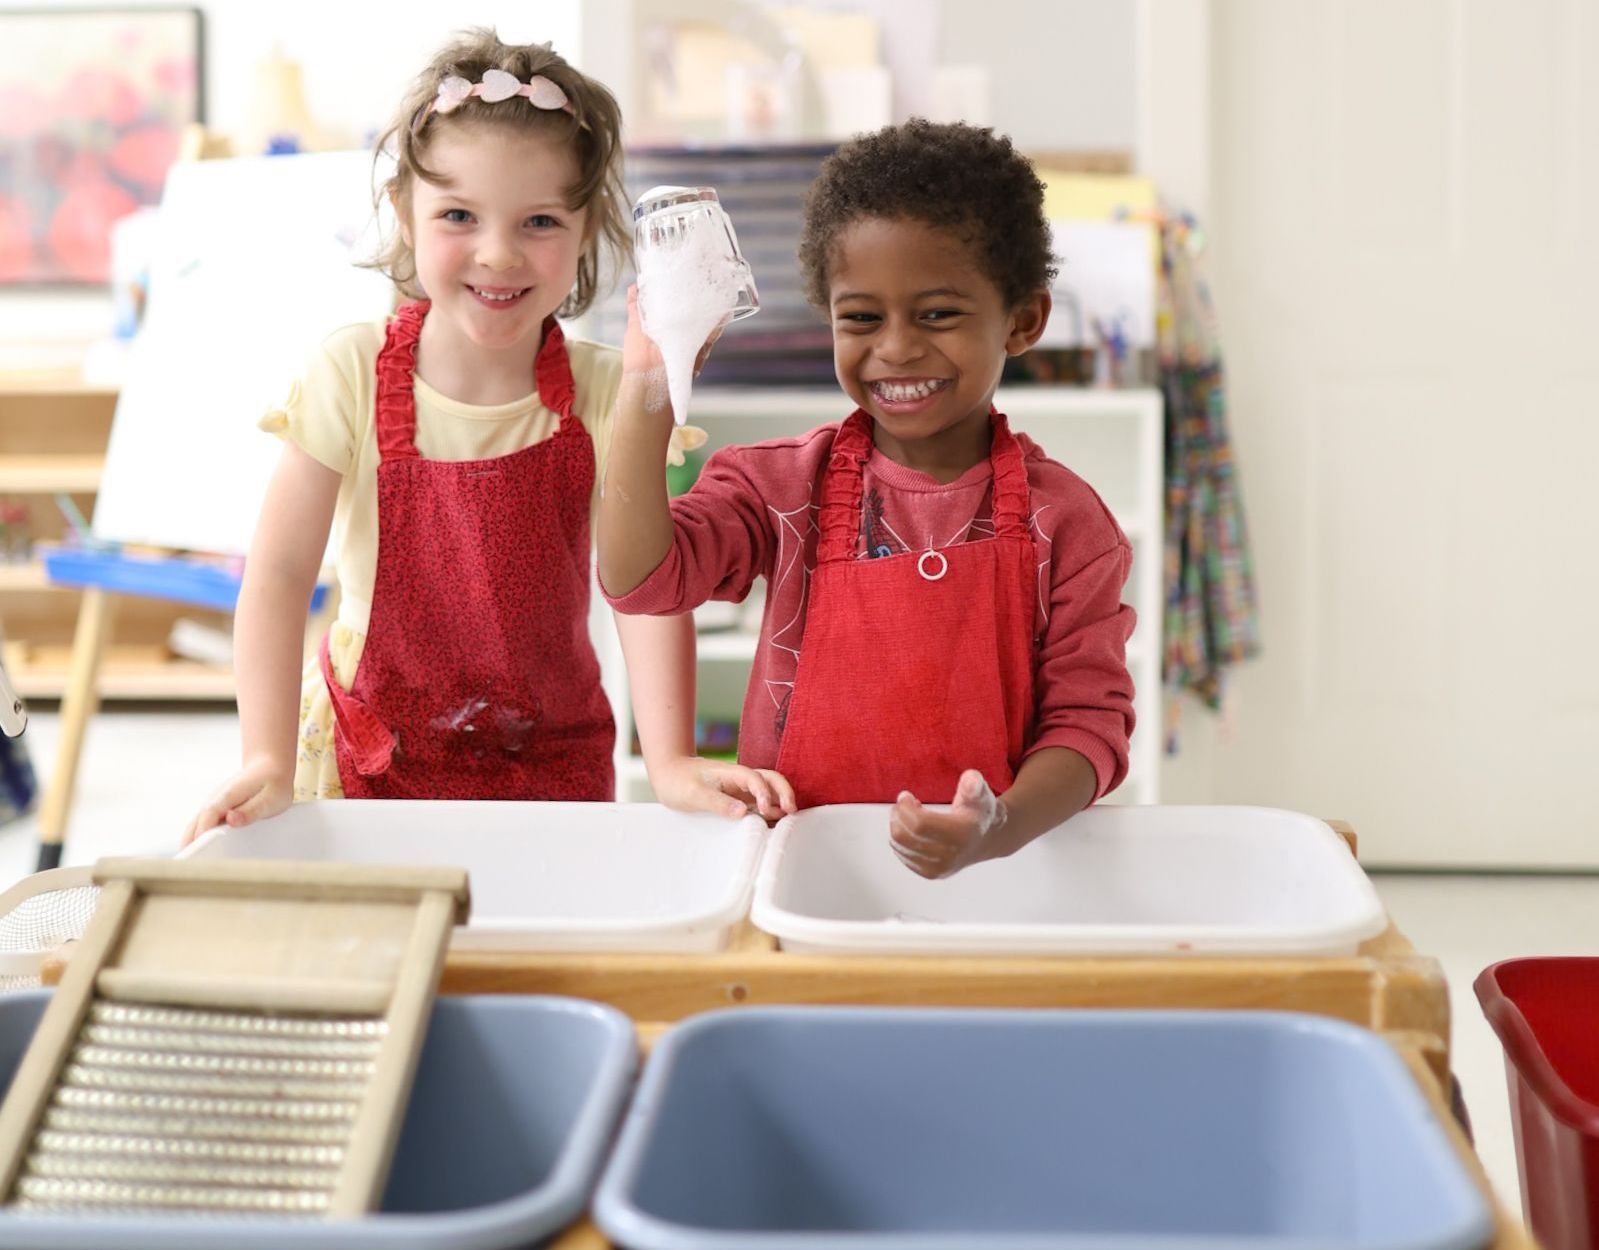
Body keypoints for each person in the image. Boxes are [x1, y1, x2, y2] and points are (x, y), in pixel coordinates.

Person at [184, 30, 792, 843]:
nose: (498, 254)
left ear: (586, 229)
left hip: (549, 758)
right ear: (404, 212)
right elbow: (279, 577)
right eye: (459, 215)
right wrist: (263, 757)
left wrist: (674, 760)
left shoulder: (611, 390)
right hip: (371, 760)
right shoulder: (351, 373)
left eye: (539, 220)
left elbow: (645, 592)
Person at [599, 119, 1135, 878]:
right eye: (860, 317)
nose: (894, 347)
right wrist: (648, 380)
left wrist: (999, 826)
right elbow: (641, 578)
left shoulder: (1070, 524)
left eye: (937, 313)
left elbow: (1088, 729)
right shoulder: (777, 488)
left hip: (1002, 877)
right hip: (802, 872)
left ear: (1022, 321)